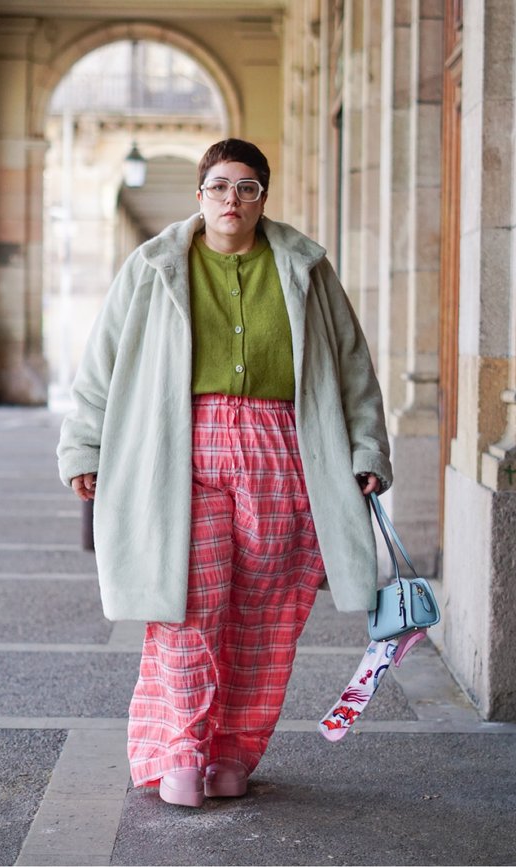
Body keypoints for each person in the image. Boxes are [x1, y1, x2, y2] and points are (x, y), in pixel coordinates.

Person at [57, 138, 392, 808]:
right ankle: (182, 749)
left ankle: (235, 750)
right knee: (183, 604)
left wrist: (366, 452)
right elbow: (104, 362)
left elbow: (352, 367)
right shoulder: (154, 266)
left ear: (264, 196)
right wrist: (84, 448)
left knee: (264, 613)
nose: (231, 199)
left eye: (246, 187)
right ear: (200, 194)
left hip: (283, 452)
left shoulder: (304, 267)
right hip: (174, 450)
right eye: (218, 186)